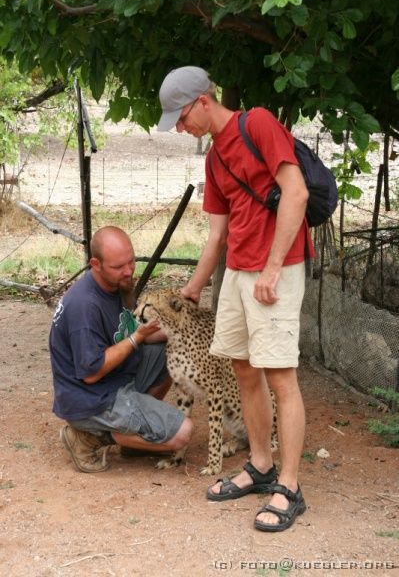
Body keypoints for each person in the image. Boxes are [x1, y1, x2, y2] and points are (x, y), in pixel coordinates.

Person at [157, 66, 313, 532]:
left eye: (182, 118)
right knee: (243, 368)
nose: (181, 128)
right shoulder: (213, 158)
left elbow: (297, 193)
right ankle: (261, 465)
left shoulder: (259, 124)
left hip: (276, 271)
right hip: (239, 274)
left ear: (204, 100)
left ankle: (289, 485)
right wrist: (195, 286)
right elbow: (217, 234)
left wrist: (270, 268)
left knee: (280, 376)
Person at [49, 226, 193, 473]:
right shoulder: (85, 306)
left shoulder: (116, 284)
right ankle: (89, 438)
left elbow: (137, 330)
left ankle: (135, 437)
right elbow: (91, 373)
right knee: (183, 434)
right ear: (95, 264)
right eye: (118, 267)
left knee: (175, 349)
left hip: (116, 377)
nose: (128, 271)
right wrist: (137, 338)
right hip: (90, 398)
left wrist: (182, 327)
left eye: (131, 261)